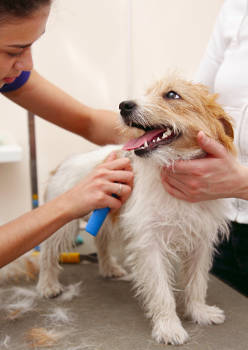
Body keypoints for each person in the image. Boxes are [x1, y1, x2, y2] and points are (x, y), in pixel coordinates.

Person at [0, 0, 137, 267]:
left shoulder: (12, 74)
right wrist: (68, 203)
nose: (27, 64)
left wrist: (157, 134)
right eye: (14, 50)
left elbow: (88, 122)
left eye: (31, 46)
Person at [161, 0, 248, 295]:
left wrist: (243, 183)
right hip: (221, 221)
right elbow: (195, 101)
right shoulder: (236, 8)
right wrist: (144, 137)